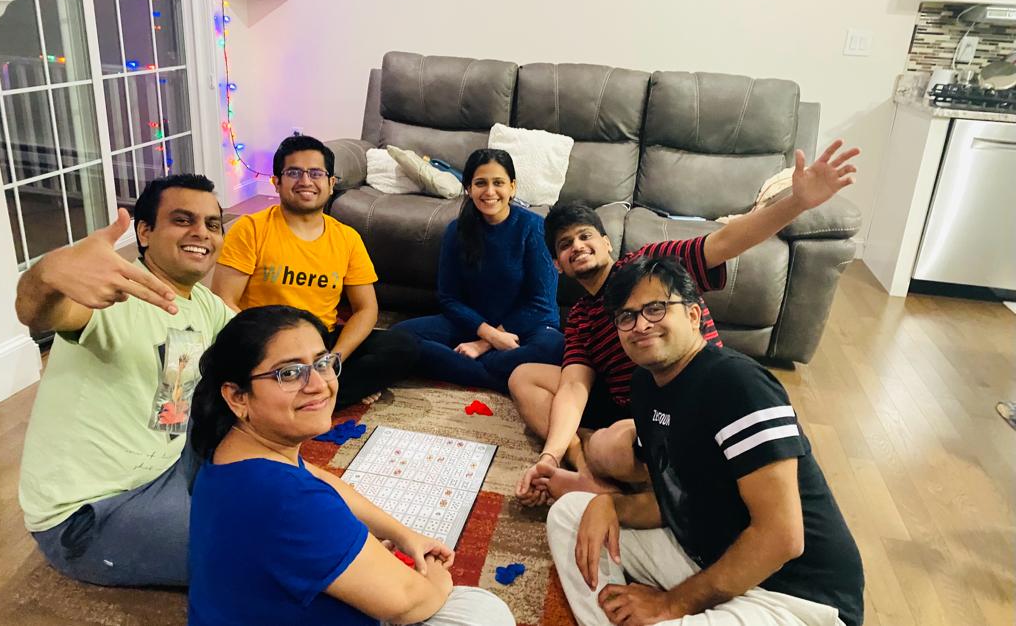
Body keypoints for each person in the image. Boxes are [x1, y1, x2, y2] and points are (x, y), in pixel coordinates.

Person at [513, 140, 860, 505]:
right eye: (565, 245)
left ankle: (644, 482)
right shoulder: (582, 315)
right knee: (524, 377)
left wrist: (797, 203)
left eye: (585, 236)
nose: (577, 246)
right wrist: (549, 457)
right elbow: (573, 387)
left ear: (606, 242)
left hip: (683, 404)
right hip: (627, 403)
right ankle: (585, 469)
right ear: (558, 264)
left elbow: (726, 240)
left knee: (613, 445)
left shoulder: (654, 265)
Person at [546, 256, 864, 626]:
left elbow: (781, 537)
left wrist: (671, 604)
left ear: (695, 316)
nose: (640, 325)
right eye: (626, 317)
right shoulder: (646, 385)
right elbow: (678, 501)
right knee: (570, 514)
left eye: (655, 308)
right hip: (706, 557)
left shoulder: (738, 385)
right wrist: (612, 506)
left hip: (794, 596)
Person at [187, 305, 515, 626]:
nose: (317, 384)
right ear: (237, 397)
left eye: (322, 363)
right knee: (482, 609)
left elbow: (315, 475)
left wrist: (402, 534)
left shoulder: (232, 450)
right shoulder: (286, 498)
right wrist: (437, 576)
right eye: (289, 373)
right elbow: (410, 602)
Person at [16, 174, 234, 586]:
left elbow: (251, 342)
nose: (201, 233)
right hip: (90, 513)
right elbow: (39, 313)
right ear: (145, 232)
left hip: (170, 465)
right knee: (259, 553)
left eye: (212, 224)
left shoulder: (202, 302)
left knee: (275, 488)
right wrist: (47, 275)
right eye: (183, 220)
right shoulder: (115, 296)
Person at [211, 135, 418, 408]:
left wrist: (332, 361)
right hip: (265, 342)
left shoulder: (347, 238)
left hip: (321, 344)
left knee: (404, 346)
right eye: (293, 172)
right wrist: (268, 347)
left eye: (316, 173)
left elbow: (366, 309)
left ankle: (301, 397)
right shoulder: (250, 229)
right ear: (277, 181)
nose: (305, 181)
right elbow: (223, 301)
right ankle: (322, 398)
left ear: (331, 184)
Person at [393, 149, 563, 393]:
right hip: (474, 324)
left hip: (526, 329)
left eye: (499, 183)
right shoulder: (456, 230)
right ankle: (501, 378)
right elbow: (449, 298)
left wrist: (482, 345)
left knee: (554, 348)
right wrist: (489, 336)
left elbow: (540, 303)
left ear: (512, 187)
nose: (490, 192)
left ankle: (467, 368)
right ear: (468, 189)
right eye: (481, 183)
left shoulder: (534, 228)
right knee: (401, 336)